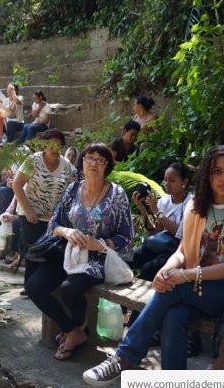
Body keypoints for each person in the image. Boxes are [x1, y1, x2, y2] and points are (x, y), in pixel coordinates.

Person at [83, 145, 224, 385]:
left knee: (175, 289)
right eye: (217, 171)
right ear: (207, 174)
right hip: (198, 291)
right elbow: (182, 251)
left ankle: (124, 356)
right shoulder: (197, 206)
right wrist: (166, 269)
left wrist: (186, 275)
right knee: (173, 315)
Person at [26, 143, 133, 361]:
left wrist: (99, 244)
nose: (94, 163)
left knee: (70, 288)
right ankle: (74, 331)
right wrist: (66, 231)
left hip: (97, 260)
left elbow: (127, 236)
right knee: (34, 286)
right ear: (82, 162)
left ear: (107, 166)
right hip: (68, 254)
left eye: (100, 160)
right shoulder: (73, 189)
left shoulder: (117, 194)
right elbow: (53, 224)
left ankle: (76, 328)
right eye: (89, 158)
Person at [13, 129, 74, 286]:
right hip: (30, 212)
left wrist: (61, 212)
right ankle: (30, 285)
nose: (54, 149)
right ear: (43, 146)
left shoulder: (66, 165)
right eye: (50, 146)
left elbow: (72, 190)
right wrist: (28, 210)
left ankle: (42, 285)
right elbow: (17, 184)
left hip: (53, 217)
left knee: (49, 250)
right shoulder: (32, 161)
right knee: (34, 249)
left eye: (58, 146)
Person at [128, 161, 193, 281]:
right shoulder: (164, 201)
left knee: (147, 270)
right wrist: (143, 210)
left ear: (184, 182)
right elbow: (154, 233)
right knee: (127, 258)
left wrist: (157, 211)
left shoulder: (192, 203)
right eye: (165, 180)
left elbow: (181, 235)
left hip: (178, 250)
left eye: (172, 180)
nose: (167, 184)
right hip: (161, 246)